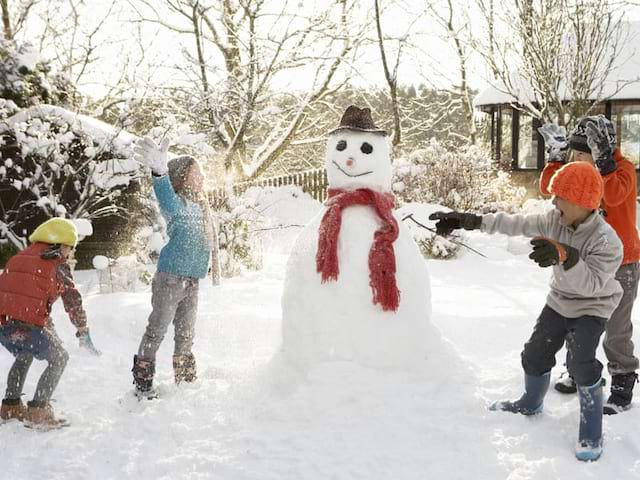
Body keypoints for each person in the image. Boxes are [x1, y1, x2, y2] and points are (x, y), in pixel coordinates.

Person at [430, 161, 623, 461]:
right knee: (535, 354)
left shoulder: (607, 241)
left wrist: (565, 255)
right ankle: (530, 402)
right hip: (559, 302)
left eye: (560, 196)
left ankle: (591, 429)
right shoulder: (553, 221)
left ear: (582, 202)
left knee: (581, 363)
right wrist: (470, 220)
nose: (554, 201)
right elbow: (516, 223)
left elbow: (593, 285)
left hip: (593, 307)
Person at [539, 116, 640, 414]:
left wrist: (605, 163)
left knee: (617, 326)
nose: (580, 159)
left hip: (622, 264)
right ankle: (577, 368)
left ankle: (622, 377)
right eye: (575, 152)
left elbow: (613, 194)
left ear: (604, 148)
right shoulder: (577, 172)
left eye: (586, 152)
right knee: (577, 316)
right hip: (583, 262)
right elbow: (549, 188)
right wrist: (556, 160)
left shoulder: (622, 170)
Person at [131, 137, 220, 399]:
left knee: (185, 332)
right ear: (182, 176)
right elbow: (164, 194)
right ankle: (144, 382)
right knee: (157, 328)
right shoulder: (177, 203)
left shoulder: (201, 207)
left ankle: (185, 379)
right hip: (170, 278)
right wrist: (159, 172)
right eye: (197, 173)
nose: (202, 177)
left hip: (192, 279)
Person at [0, 218, 100, 428]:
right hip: (26, 323)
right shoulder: (56, 263)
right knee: (59, 358)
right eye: (70, 248)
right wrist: (82, 327)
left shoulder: (20, 257)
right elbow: (72, 299)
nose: (70, 253)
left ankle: (10, 406)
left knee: (24, 353)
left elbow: (24, 296)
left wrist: (41, 322)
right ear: (62, 244)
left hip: (4, 324)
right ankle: (39, 410)